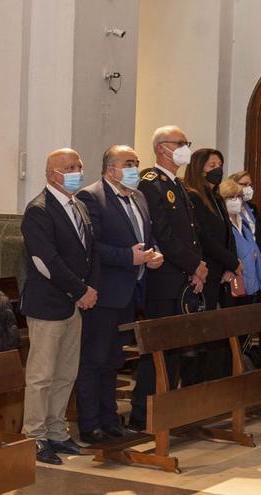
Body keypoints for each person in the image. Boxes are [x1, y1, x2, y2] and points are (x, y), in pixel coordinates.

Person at [74, 145, 163, 444]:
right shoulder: (92, 196)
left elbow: (146, 238)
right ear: (111, 168)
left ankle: (110, 419)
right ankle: (90, 423)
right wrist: (129, 257)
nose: (135, 167)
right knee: (93, 359)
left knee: (114, 360)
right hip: (104, 292)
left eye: (136, 162)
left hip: (130, 293)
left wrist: (154, 254)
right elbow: (92, 246)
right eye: (128, 163)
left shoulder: (138, 196)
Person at [21, 148, 96, 465]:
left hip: (74, 304)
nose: (77, 170)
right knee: (41, 376)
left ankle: (56, 430)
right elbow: (45, 261)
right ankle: (35, 436)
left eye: (79, 165)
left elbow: (86, 253)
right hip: (48, 303)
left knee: (66, 373)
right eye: (70, 167)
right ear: (52, 174)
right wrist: (79, 290)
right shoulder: (39, 209)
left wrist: (87, 289)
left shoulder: (78, 205)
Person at [130, 125, 205, 430]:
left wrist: (197, 268)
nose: (186, 147)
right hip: (163, 282)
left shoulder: (178, 184)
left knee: (174, 351)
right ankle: (142, 413)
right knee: (157, 352)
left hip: (182, 279)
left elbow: (190, 233)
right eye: (181, 143)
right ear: (163, 148)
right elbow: (164, 234)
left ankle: (166, 410)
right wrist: (193, 265)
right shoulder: (152, 183)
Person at [183, 148, 239, 385]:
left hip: (220, 273)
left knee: (216, 334)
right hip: (204, 272)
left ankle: (213, 385)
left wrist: (230, 265)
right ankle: (194, 385)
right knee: (198, 336)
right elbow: (205, 237)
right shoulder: (193, 195)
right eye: (211, 164)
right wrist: (231, 261)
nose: (217, 169)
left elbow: (228, 234)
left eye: (220, 164)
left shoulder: (215, 197)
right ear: (198, 167)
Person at [222, 178, 261, 305]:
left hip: (251, 281)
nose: (236, 200)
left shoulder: (244, 222)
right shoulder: (222, 223)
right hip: (232, 282)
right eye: (231, 197)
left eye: (238, 196)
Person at [229, 170, 261, 248]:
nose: (248, 188)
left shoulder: (252, 207)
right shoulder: (231, 207)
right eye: (244, 184)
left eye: (250, 185)